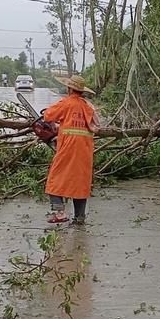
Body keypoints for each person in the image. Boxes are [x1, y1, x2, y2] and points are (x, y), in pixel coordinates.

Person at [43, 75, 99, 225]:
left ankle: (60, 213)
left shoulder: (66, 103)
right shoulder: (88, 106)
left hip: (68, 147)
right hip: (85, 149)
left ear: (69, 89)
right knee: (80, 181)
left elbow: (47, 115)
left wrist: (58, 122)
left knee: (55, 179)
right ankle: (80, 217)